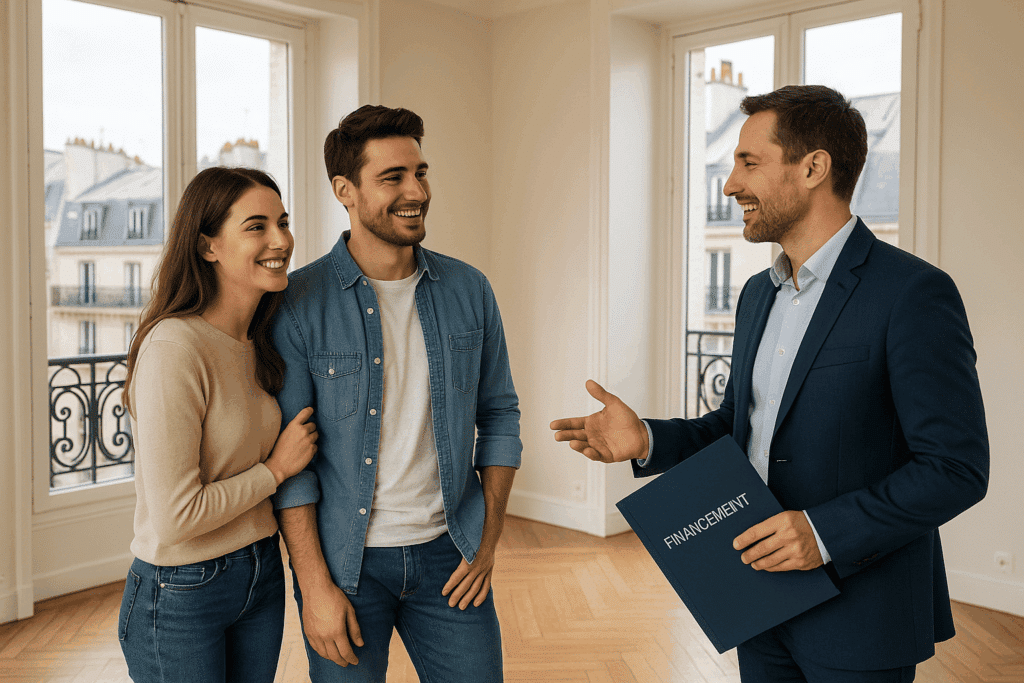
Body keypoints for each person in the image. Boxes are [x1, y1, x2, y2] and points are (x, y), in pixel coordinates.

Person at [550, 85, 988, 682]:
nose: (730, 185)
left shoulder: (912, 294)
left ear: (813, 168)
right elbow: (740, 426)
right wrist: (648, 439)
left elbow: (956, 468)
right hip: (756, 599)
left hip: (862, 615)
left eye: (748, 163)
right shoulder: (758, 293)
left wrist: (822, 534)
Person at [270, 105, 522, 682]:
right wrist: (314, 590)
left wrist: (486, 546)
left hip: (450, 555)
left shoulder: (469, 289)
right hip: (346, 568)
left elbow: (500, 416)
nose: (417, 190)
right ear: (345, 191)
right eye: (393, 177)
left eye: (421, 172)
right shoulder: (299, 304)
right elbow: (294, 468)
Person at [118, 167, 319, 683]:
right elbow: (175, 518)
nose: (281, 240)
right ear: (209, 246)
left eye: (283, 221)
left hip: (259, 572)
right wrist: (275, 471)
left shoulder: (260, 340)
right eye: (257, 226)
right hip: (182, 591)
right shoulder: (174, 347)